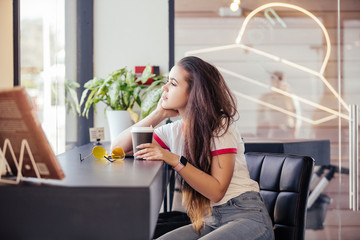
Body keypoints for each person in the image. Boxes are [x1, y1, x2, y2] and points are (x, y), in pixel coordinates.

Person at [112, 56, 274, 240]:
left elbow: (216, 191)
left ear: (193, 92)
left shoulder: (220, 126)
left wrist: (173, 159)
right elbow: (117, 149)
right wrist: (158, 114)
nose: (164, 88)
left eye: (173, 84)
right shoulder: (172, 131)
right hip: (209, 220)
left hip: (245, 216)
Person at [256, 71, 300, 139]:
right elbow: (260, 118)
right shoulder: (265, 98)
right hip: (271, 132)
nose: (277, 83)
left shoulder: (290, 97)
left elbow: (296, 117)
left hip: (287, 131)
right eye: (274, 81)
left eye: (279, 80)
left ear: (284, 81)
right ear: (271, 81)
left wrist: (294, 133)